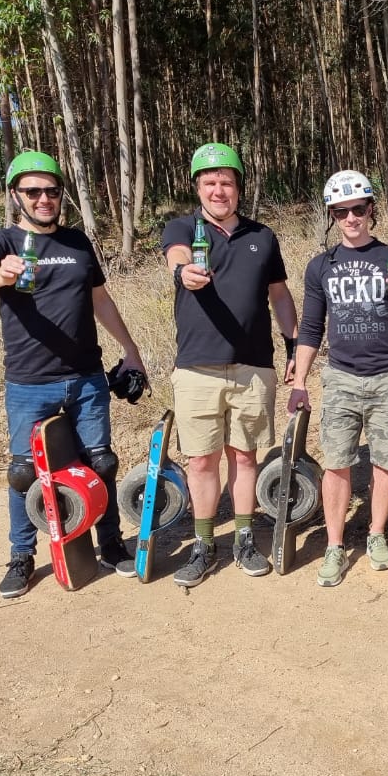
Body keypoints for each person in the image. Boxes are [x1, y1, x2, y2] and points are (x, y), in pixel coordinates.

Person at [0, 151, 148, 599]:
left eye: (51, 190)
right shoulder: (1, 241)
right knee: (23, 472)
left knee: (101, 462)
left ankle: (110, 543)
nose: (44, 198)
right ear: (16, 196)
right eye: (33, 191)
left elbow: (101, 300)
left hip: (86, 376)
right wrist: (2, 273)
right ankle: (21, 556)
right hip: (30, 381)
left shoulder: (77, 243)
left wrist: (130, 349)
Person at [157, 142, 299, 588]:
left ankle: (242, 537)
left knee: (245, 455)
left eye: (227, 182)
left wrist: (294, 345)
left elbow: (279, 294)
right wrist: (185, 274)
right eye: (210, 182)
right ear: (197, 187)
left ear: (239, 188)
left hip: (254, 365)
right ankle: (203, 543)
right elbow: (176, 257)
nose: (219, 190)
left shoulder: (263, 237)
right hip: (197, 366)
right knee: (201, 460)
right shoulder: (182, 228)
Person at [288, 169, 388, 587]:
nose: (351, 218)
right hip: (341, 378)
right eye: (341, 211)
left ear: (372, 210)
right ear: (332, 215)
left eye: (358, 209)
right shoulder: (321, 266)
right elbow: (311, 327)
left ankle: (375, 535)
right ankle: (335, 545)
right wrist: (300, 382)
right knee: (337, 464)